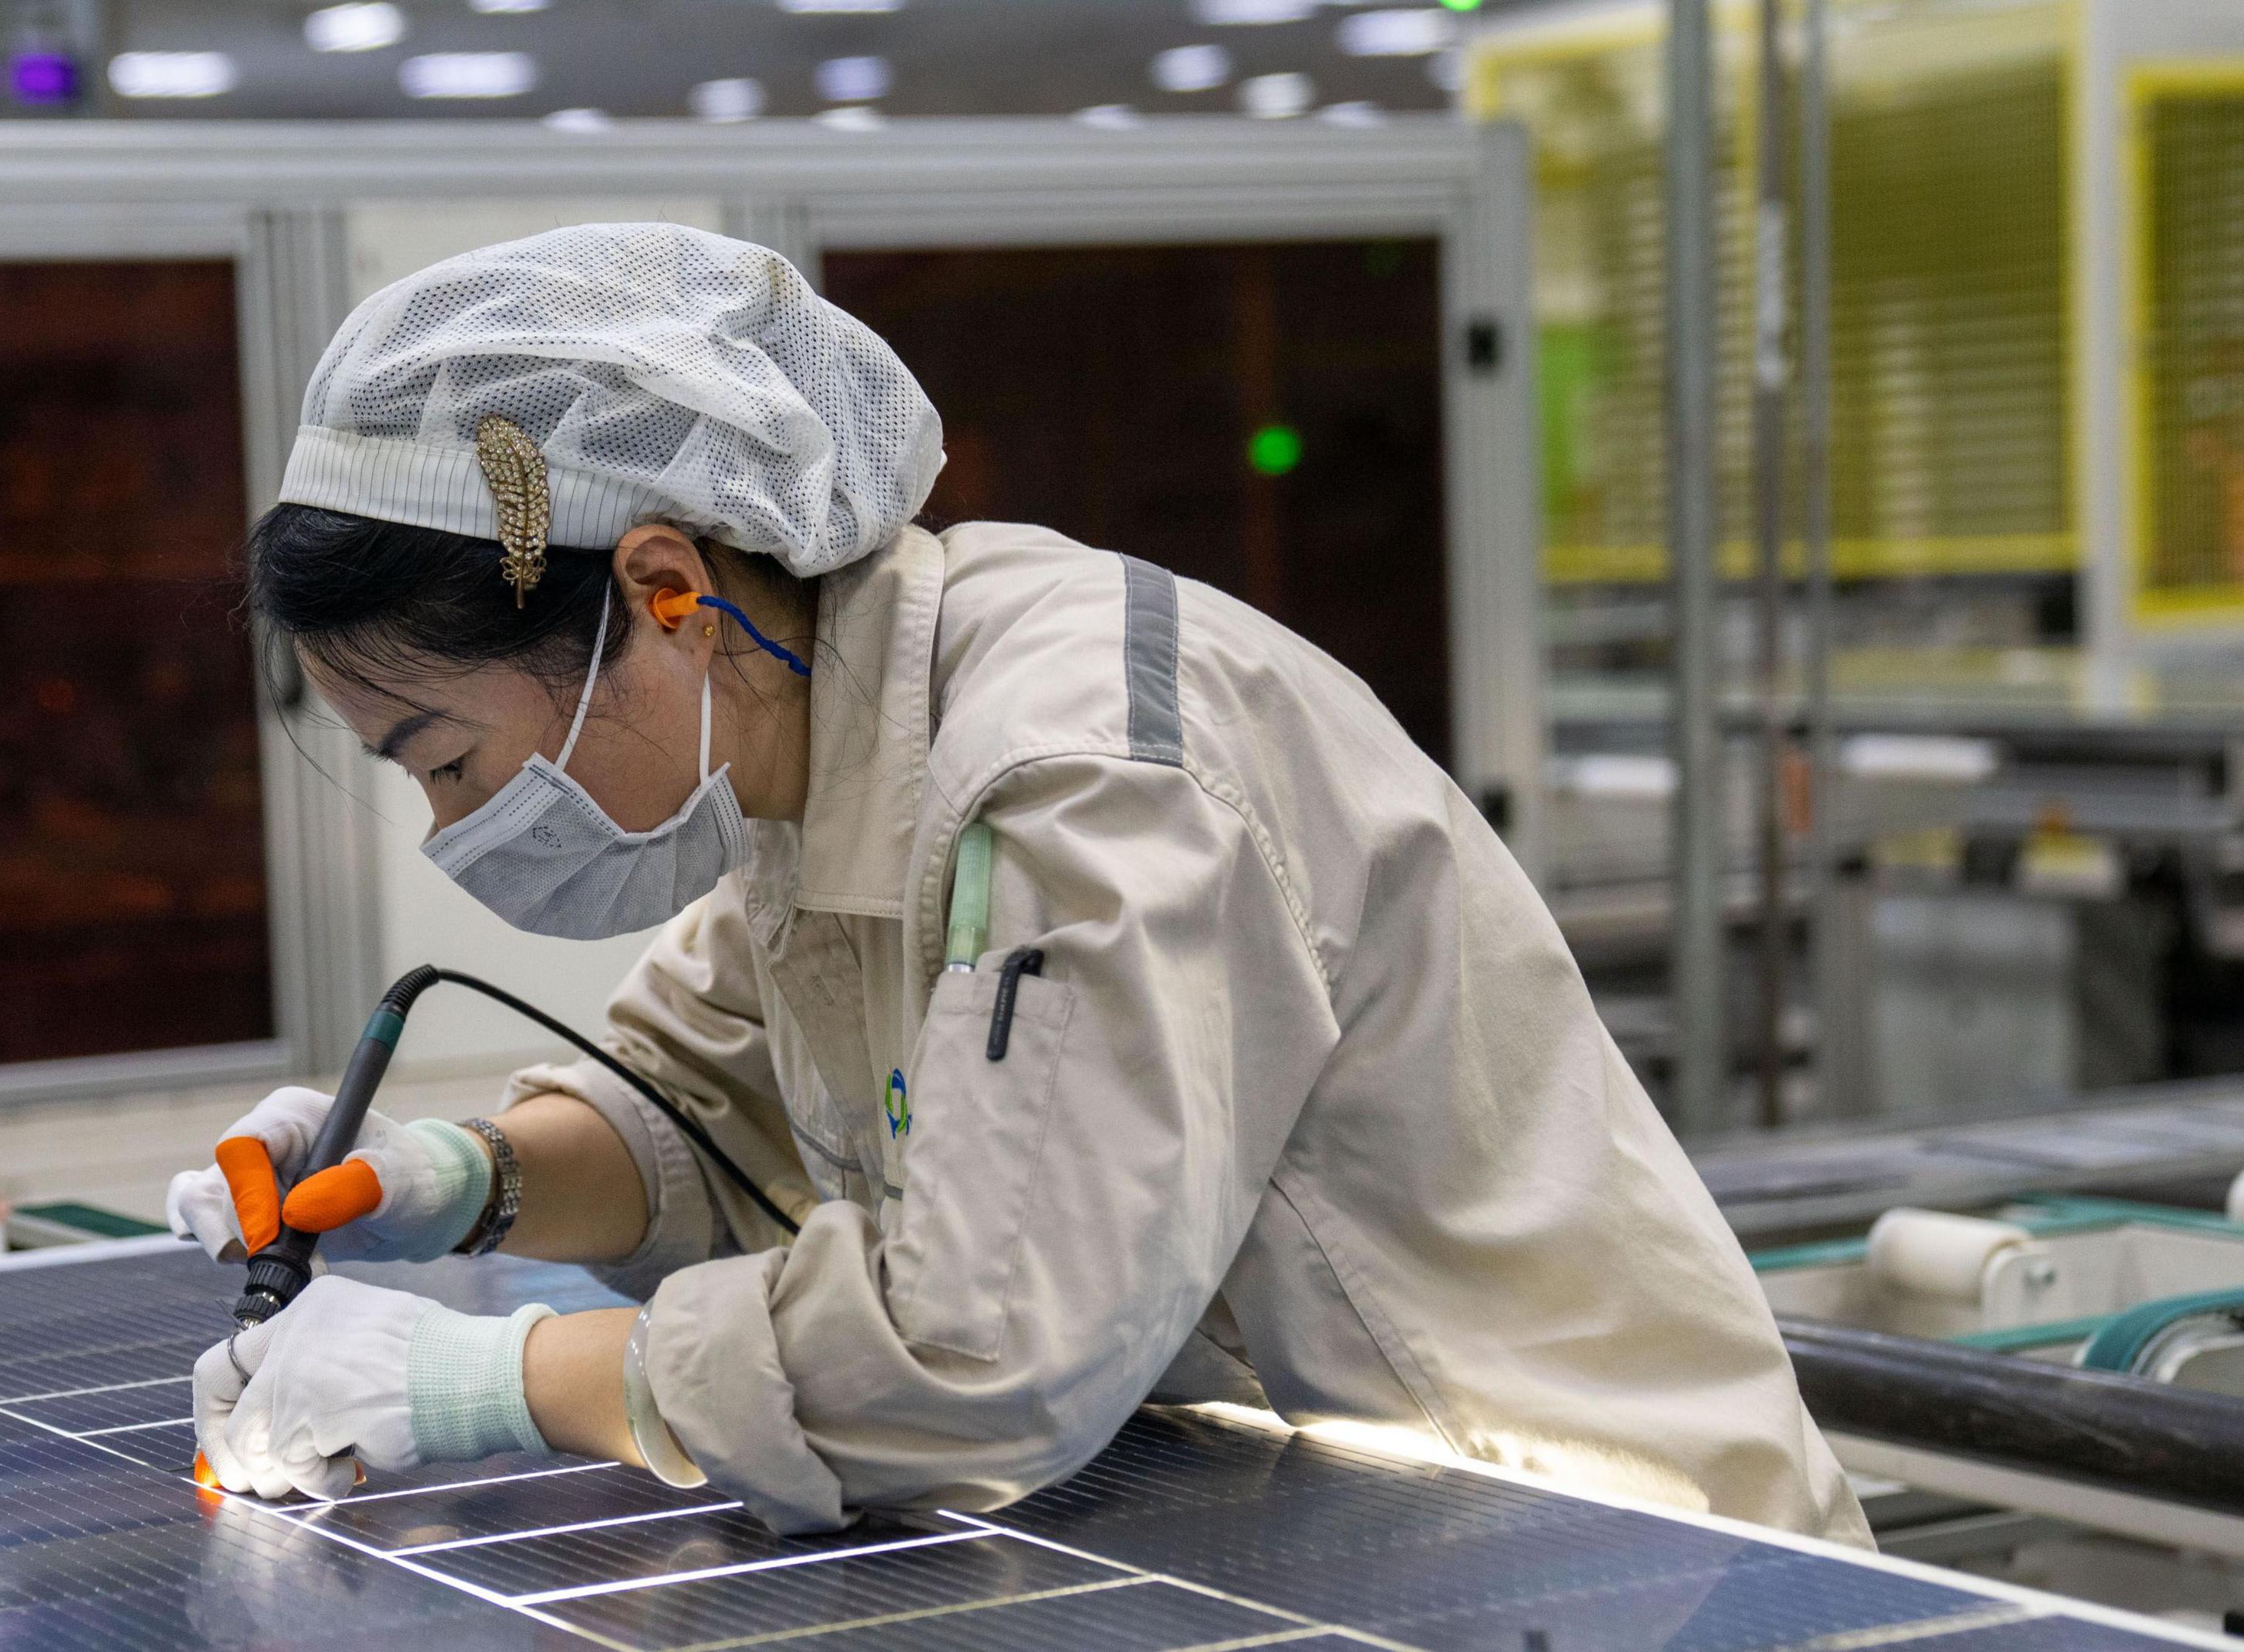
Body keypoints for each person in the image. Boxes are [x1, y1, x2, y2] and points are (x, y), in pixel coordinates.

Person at [171, 221, 1868, 1544]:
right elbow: (707, 1110)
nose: (464, 825)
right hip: (1318, 1513)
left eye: (450, 759)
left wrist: (484, 1383)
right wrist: (436, 1179)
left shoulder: (1077, 778)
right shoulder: (814, 742)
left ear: (668, 589)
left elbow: (982, 1353)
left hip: (1587, 1543)